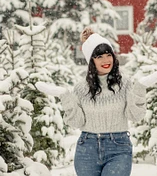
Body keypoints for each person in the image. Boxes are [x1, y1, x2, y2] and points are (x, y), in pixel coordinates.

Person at [60, 27, 147, 176]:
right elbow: (77, 122)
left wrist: (139, 90)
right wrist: (66, 99)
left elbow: (135, 116)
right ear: (91, 61)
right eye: (99, 57)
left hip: (118, 148)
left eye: (108, 55)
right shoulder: (81, 88)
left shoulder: (125, 84)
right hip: (87, 149)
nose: (106, 60)